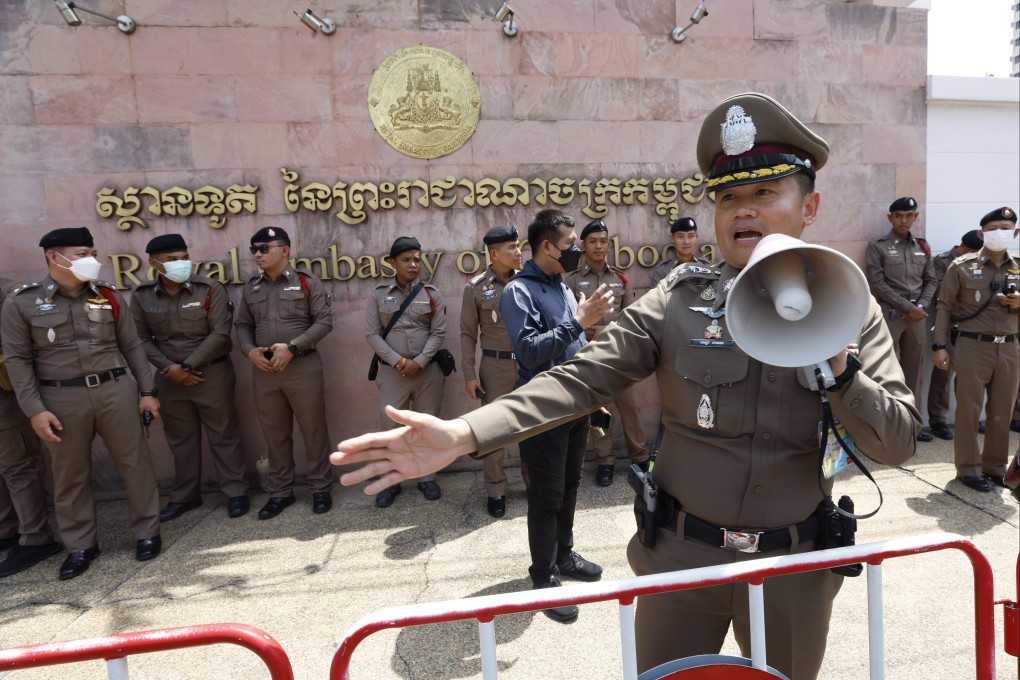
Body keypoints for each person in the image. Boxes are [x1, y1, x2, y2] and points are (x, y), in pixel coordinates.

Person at [331, 93, 918, 678]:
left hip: (796, 563)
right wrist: (464, 432)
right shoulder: (679, 302)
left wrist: (840, 369)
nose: (744, 211)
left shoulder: (847, 304)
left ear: (809, 206)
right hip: (683, 560)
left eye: (765, 193)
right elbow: (580, 378)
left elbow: (897, 443)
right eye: (730, 197)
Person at [1, 227, 163, 580]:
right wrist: (34, 409)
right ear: (53, 257)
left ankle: (147, 533)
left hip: (115, 389)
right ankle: (81, 546)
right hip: (59, 397)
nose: (91, 260)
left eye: (92, 252)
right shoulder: (22, 302)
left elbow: (132, 345)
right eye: (81, 254)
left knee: (135, 463)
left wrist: (147, 391)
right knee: (69, 474)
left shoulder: (108, 295)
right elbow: (17, 361)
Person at [494, 208, 612, 622]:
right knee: (546, 494)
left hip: (576, 403)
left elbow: (572, 349)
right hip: (542, 409)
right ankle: (543, 577)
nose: (577, 250)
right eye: (570, 243)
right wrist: (580, 319)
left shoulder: (561, 287)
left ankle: (564, 555)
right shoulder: (518, 292)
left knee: (571, 483)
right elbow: (529, 351)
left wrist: (593, 395)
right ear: (547, 246)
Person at [130, 234, 250, 521]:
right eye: (172, 260)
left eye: (184, 257)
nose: (181, 263)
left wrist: (187, 366)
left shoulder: (208, 289)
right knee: (180, 440)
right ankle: (185, 496)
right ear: (153, 263)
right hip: (169, 378)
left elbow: (220, 333)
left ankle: (235, 492)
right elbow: (140, 339)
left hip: (212, 373)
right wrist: (170, 369)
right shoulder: (143, 295)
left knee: (224, 434)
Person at [235, 227, 334, 519]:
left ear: (285, 251)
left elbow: (324, 322)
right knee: (274, 433)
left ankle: (320, 488)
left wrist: (292, 347)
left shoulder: (306, 283)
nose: (257, 254)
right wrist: (249, 351)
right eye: (254, 248)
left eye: (264, 248)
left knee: (313, 430)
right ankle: (280, 492)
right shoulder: (251, 287)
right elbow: (242, 325)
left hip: (301, 367)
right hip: (264, 370)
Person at [932, 207, 1020, 493]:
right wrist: (940, 346)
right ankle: (968, 469)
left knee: (1001, 412)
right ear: (982, 233)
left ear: (1015, 233)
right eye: (993, 228)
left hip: (1008, 348)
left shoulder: (1019, 266)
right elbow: (944, 306)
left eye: (1006, 228)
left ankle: (994, 468)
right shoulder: (961, 266)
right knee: (968, 411)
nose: (1000, 233)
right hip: (972, 345)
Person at [565, 218, 648, 486]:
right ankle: (605, 460)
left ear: (608, 245)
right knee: (599, 413)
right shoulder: (573, 281)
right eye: (593, 241)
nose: (598, 246)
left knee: (631, 408)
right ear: (584, 245)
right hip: (589, 356)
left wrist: (609, 331)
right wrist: (591, 332)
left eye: (603, 241)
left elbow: (631, 315)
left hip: (619, 355)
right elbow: (570, 319)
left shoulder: (619, 278)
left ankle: (640, 458)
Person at [367, 236, 448, 508]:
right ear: (392, 263)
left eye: (417, 259)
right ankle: (390, 482)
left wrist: (421, 361)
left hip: (427, 371)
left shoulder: (431, 294)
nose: (413, 264)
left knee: (426, 426)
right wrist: (399, 362)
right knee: (390, 428)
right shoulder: (379, 295)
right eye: (406, 260)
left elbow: (438, 333)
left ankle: (427, 478)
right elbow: (372, 334)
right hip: (393, 373)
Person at [459, 225, 523, 518]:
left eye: (518, 246)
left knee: (534, 427)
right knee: (494, 430)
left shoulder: (529, 282)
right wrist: (469, 374)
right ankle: (496, 490)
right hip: (494, 366)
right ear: (494, 253)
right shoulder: (475, 287)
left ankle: (535, 484)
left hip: (528, 363)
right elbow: (467, 334)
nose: (517, 252)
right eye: (511, 248)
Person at [0, 282, 62, 578]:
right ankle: (7, 530)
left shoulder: (9, 294)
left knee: (18, 466)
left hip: (5, 393)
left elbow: (17, 344)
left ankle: (36, 538)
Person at [865, 196, 937, 442]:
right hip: (890, 314)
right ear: (890, 218)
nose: (904, 220)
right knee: (883, 370)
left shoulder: (923, 247)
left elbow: (931, 280)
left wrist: (920, 306)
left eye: (909, 216)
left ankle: (911, 427)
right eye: (898, 216)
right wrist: (908, 306)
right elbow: (877, 283)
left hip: (917, 317)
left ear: (915, 217)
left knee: (912, 372)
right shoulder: (878, 246)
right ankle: (883, 428)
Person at [925, 229, 984, 441]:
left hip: (974, 326)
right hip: (950, 326)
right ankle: (938, 420)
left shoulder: (979, 262)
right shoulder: (942, 262)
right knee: (943, 373)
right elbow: (942, 294)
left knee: (971, 376)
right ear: (964, 248)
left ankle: (969, 417)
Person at [649, 216, 709, 286]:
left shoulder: (706, 267)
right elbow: (656, 296)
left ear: (696, 237)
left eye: (691, 236)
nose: (686, 241)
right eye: (680, 236)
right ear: (672, 238)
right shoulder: (663, 271)